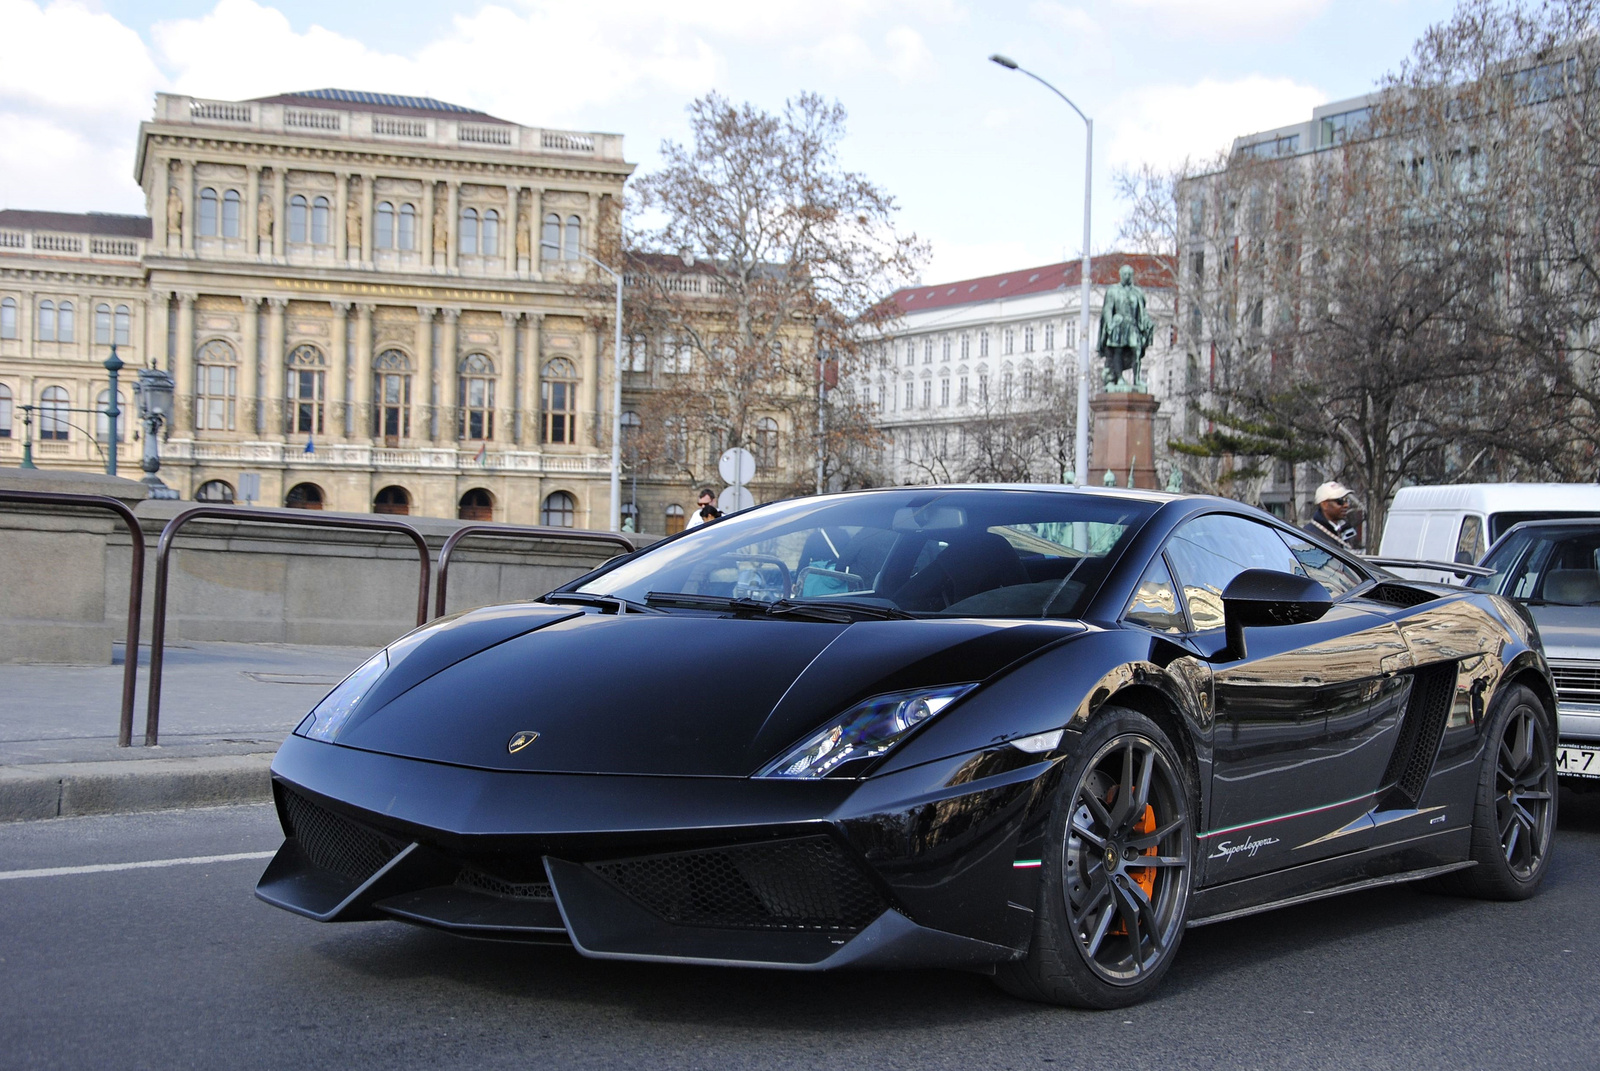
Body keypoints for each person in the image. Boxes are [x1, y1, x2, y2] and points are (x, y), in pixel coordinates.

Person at [1304, 481, 1358, 549]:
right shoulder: (1310, 535)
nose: (1346, 505)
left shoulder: (1345, 530)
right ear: (1324, 505)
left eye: (1347, 500)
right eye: (1340, 501)